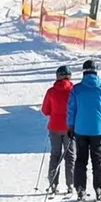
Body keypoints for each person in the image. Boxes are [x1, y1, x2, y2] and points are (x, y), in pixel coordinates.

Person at [66, 60, 101, 202]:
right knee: (97, 159)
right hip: (98, 129)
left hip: (80, 129)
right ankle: (99, 188)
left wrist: (70, 126)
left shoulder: (77, 89)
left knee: (81, 159)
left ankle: (80, 188)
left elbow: (71, 109)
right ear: (96, 71)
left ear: (84, 72)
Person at [40, 66, 75, 194]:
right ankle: (70, 183)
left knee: (55, 154)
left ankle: (53, 183)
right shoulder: (73, 90)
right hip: (69, 127)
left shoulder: (51, 91)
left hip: (54, 127)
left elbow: (45, 110)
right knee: (70, 155)